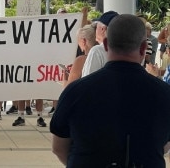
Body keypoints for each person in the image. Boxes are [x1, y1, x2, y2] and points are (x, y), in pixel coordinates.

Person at [50, 14, 170, 167]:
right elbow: (164, 146)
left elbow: (58, 147)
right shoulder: (164, 94)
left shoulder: (75, 91)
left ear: (106, 45)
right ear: (143, 48)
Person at [81, 11, 119, 76]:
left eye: (96, 27)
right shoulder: (124, 50)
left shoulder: (97, 50)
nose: (95, 30)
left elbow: (88, 81)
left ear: (102, 29)